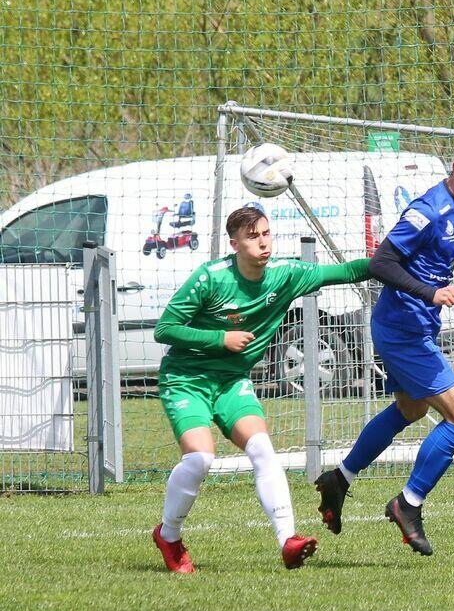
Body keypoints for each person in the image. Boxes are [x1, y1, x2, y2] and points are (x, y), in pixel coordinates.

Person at [313, 133, 454, 555]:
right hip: (401, 331)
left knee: (411, 409)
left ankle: (340, 479)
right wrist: (431, 292)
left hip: (414, 329)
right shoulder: (428, 210)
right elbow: (381, 263)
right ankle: (408, 503)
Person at [151, 206, 372, 572]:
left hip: (231, 382)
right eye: (253, 237)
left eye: (266, 233)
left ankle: (288, 541)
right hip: (187, 379)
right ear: (234, 243)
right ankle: (168, 535)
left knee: (263, 449)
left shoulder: (285, 274)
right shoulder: (211, 278)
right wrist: (220, 339)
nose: (263, 242)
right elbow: (165, 329)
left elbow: (347, 272)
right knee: (200, 459)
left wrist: (395, 259)